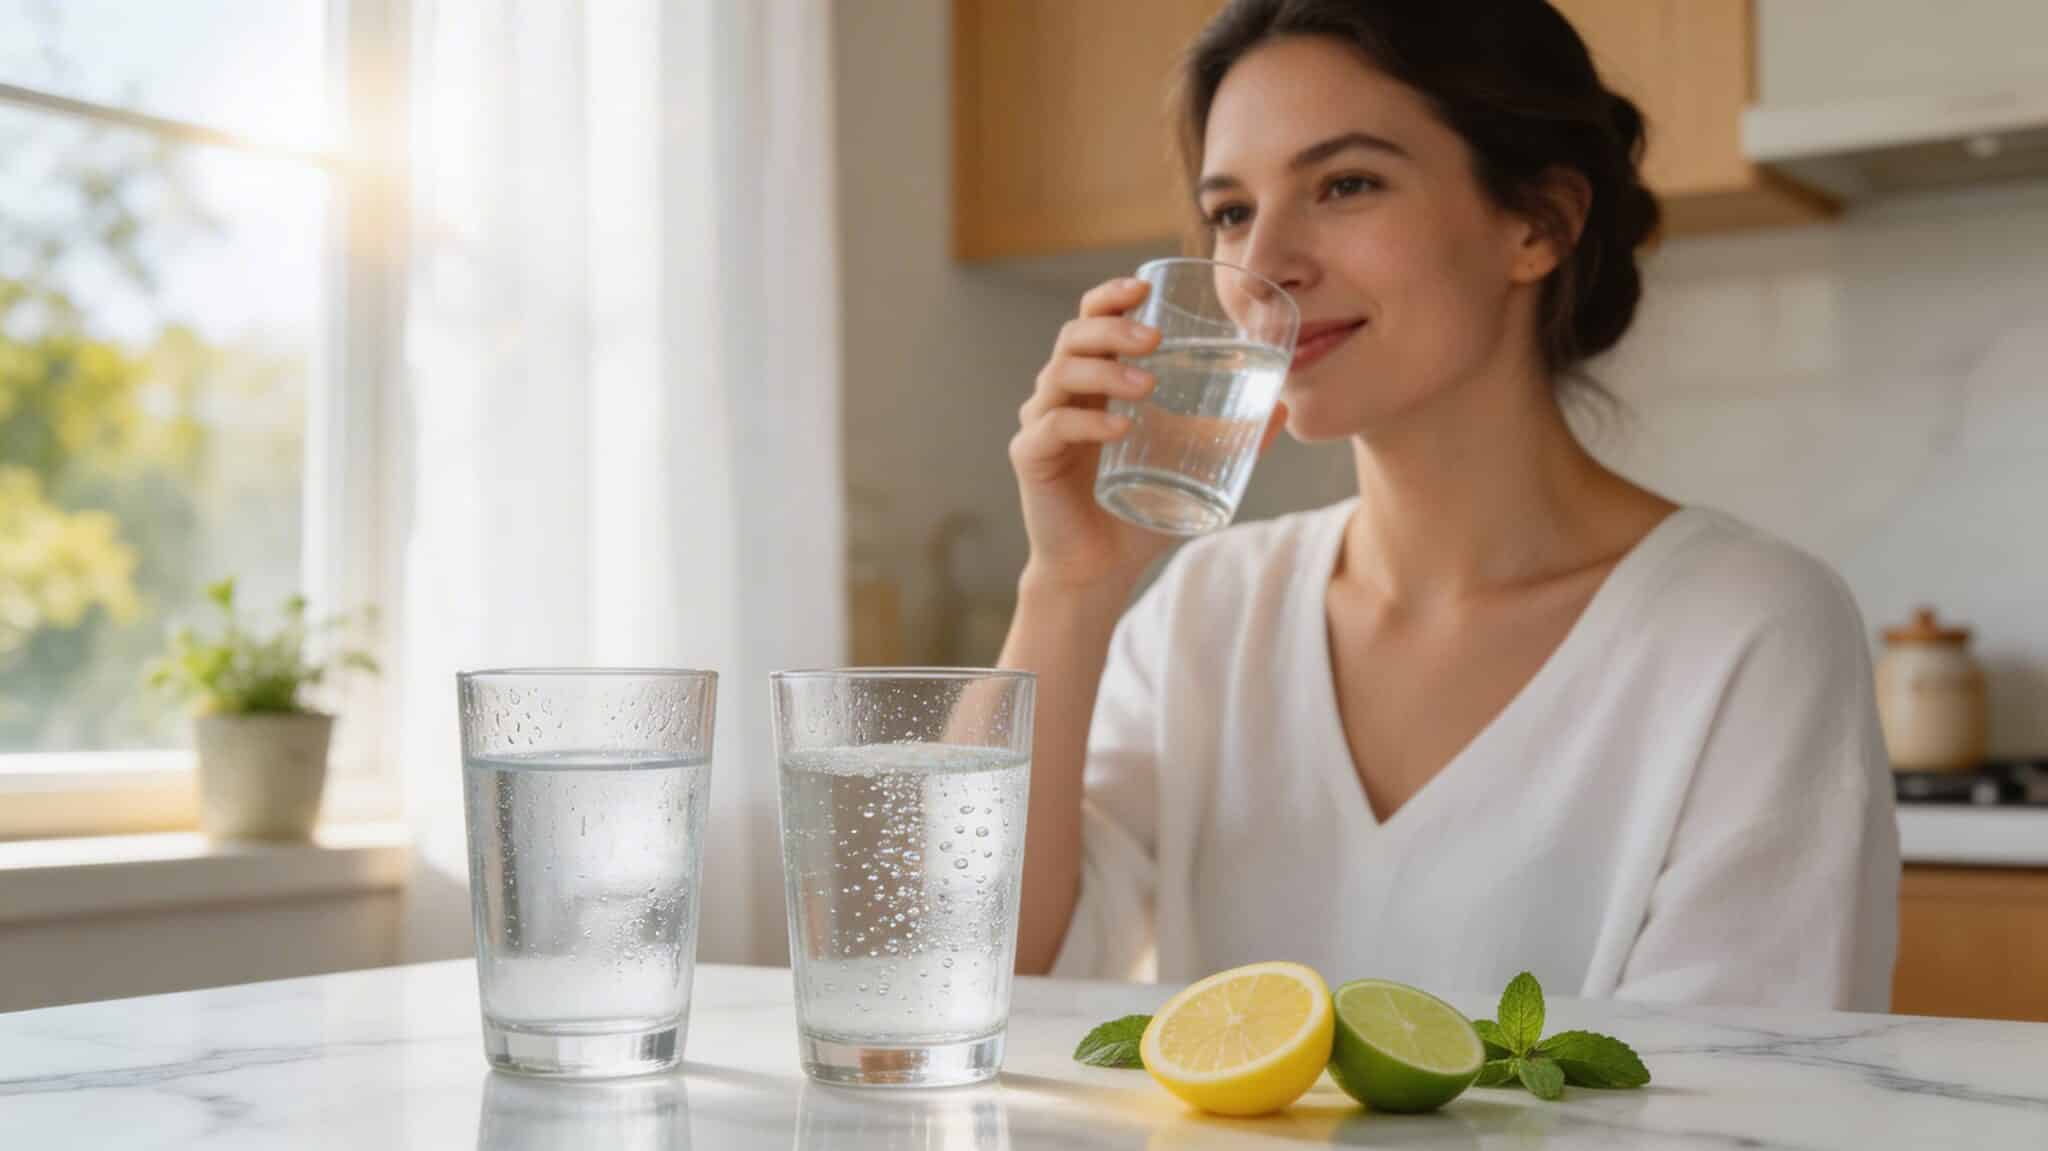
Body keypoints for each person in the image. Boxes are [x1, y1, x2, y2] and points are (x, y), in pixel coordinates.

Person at [999, 0, 1899, 1010]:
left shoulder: (1745, 628)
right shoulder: (1208, 606)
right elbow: (981, 966)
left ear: (1536, 224)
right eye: (1230, 211)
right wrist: (1068, 586)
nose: (1261, 269)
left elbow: (1742, 1093)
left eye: (1344, 184)